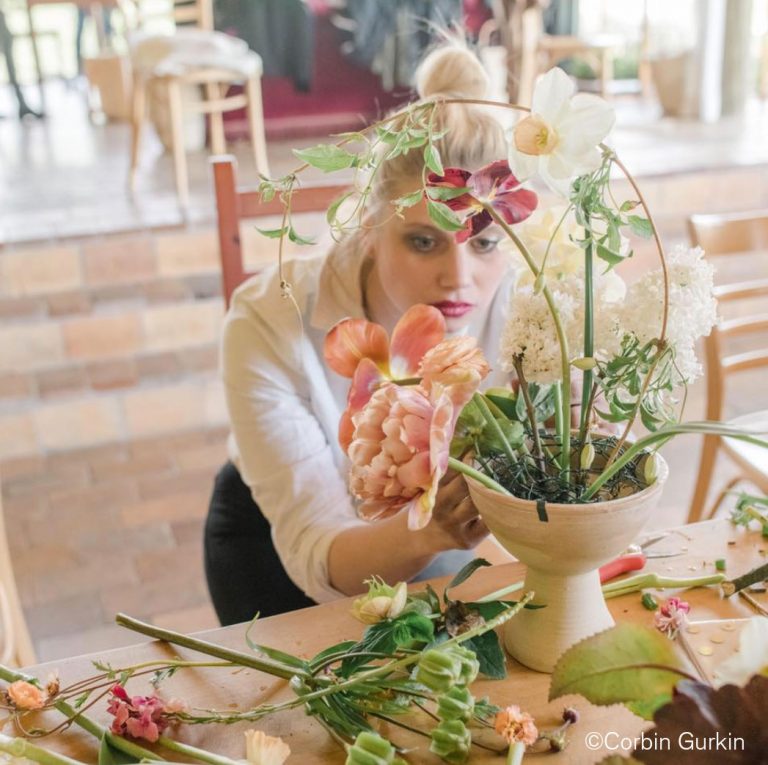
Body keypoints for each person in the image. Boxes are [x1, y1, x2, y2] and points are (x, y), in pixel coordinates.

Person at [204, 42, 518, 626]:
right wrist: (433, 528)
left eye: (485, 242)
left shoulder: (534, 305)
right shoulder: (268, 323)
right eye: (423, 241)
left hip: (440, 540)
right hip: (281, 554)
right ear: (371, 226)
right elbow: (317, 548)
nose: (459, 277)